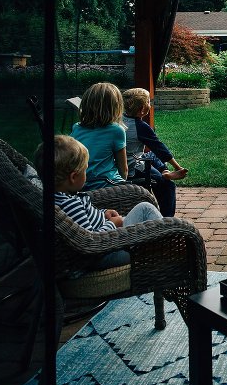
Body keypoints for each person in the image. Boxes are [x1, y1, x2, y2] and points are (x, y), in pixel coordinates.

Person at [38, 135, 163, 270]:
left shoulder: (61, 197)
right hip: (105, 254)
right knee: (146, 210)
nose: (86, 174)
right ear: (73, 177)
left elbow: (86, 222)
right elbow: (90, 242)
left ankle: (165, 246)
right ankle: (171, 248)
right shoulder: (70, 205)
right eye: (84, 170)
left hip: (107, 239)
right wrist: (113, 224)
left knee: (145, 213)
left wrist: (104, 214)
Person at [122, 88, 187, 217]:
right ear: (142, 109)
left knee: (151, 154)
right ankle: (166, 220)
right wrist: (177, 167)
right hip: (134, 166)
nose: (150, 105)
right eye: (149, 102)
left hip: (130, 158)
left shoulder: (119, 119)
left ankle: (164, 171)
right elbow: (160, 148)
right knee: (167, 186)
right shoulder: (140, 127)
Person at [70, 82, 128, 190]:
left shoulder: (76, 128)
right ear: (115, 107)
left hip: (80, 184)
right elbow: (123, 170)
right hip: (106, 184)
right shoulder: (116, 130)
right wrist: (123, 190)